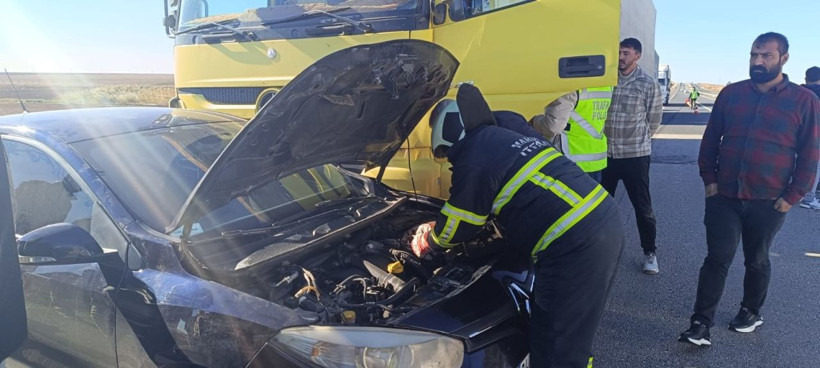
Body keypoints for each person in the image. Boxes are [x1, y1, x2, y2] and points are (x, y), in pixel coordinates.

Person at [410, 84, 624, 368]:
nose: (451, 160)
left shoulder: (474, 156)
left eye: (447, 154)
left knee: (556, 343)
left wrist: (430, 241)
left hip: (576, 242)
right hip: (598, 218)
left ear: (450, 138)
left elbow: (461, 223)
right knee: (572, 329)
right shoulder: (506, 133)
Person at [679, 32, 820, 346]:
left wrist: (792, 196)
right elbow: (711, 139)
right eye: (754, 55)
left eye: (766, 56)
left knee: (756, 259)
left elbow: (810, 152)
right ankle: (700, 324)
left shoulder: (804, 101)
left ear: (783, 58)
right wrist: (710, 180)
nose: (757, 61)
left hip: (769, 200)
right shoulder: (732, 94)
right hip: (725, 195)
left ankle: (751, 311)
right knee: (717, 258)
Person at [601, 37, 663, 274]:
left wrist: (638, 139)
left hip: (634, 155)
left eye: (625, 53)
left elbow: (654, 121)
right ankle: (602, 251)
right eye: (618, 52)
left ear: (637, 55)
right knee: (602, 207)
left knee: (642, 207)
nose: (620, 57)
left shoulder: (648, 84)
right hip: (605, 154)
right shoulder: (606, 80)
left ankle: (650, 253)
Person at [530, 87, 614, 183]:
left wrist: (533, 121)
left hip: (571, 160)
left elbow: (552, 127)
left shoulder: (572, 88)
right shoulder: (606, 87)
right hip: (596, 161)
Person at [798, 66, 820, 209]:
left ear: (806, 78)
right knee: (815, 165)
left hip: (796, 132)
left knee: (797, 160)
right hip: (816, 134)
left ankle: (794, 192)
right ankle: (809, 197)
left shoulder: (799, 92)